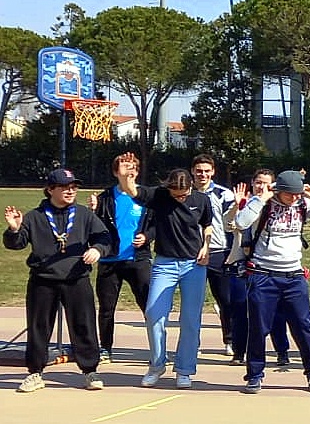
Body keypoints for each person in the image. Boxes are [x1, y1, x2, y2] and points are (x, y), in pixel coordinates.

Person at [4, 167, 111, 393]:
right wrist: (14, 229)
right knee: (39, 327)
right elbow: (16, 244)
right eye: (64, 187)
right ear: (50, 189)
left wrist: (98, 250)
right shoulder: (35, 216)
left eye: (73, 187)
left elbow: (104, 236)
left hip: (77, 278)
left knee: (83, 325)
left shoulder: (83, 214)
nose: (70, 191)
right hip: (43, 280)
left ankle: (90, 370)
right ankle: (35, 372)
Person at [234, 171, 310, 393]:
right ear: (278, 190)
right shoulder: (263, 205)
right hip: (263, 275)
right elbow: (240, 222)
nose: (294, 198)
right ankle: (254, 375)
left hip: (294, 277)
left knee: (303, 327)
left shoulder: (302, 205)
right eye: (289, 194)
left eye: (297, 194)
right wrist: (259, 199)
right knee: (258, 328)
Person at [115, 154, 214, 390]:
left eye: (184, 194)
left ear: (191, 186)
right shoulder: (159, 196)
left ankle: (184, 369)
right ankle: (157, 365)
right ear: (168, 188)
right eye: (176, 194)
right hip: (165, 264)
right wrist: (125, 175)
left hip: (194, 265)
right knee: (154, 314)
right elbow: (133, 191)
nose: (181, 198)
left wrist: (206, 246)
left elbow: (207, 225)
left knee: (191, 319)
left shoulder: (201, 200)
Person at [226, 169, 293, 368]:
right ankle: (239, 351)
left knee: (276, 312)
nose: (261, 187)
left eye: (266, 183)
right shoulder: (243, 203)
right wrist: (235, 207)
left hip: (266, 266)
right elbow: (229, 225)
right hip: (241, 263)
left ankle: (282, 350)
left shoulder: (276, 206)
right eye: (257, 183)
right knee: (239, 308)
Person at [90, 154, 152, 364]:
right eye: (125, 167)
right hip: (110, 260)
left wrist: (147, 236)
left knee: (148, 305)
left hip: (138, 259)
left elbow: (157, 224)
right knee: (107, 308)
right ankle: (105, 348)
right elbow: (95, 228)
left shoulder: (145, 196)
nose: (130, 170)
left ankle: (156, 349)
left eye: (134, 166)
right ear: (116, 172)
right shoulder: (105, 197)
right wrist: (93, 211)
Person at [191, 154, 238, 356]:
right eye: (199, 171)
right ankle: (192, 342)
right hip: (191, 253)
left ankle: (230, 340)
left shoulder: (223, 193)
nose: (203, 174)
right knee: (193, 302)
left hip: (219, 252)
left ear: (213, 172)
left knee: (225, 300)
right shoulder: (185, 191)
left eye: (206, 171)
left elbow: (232, 222)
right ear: (192, 171)